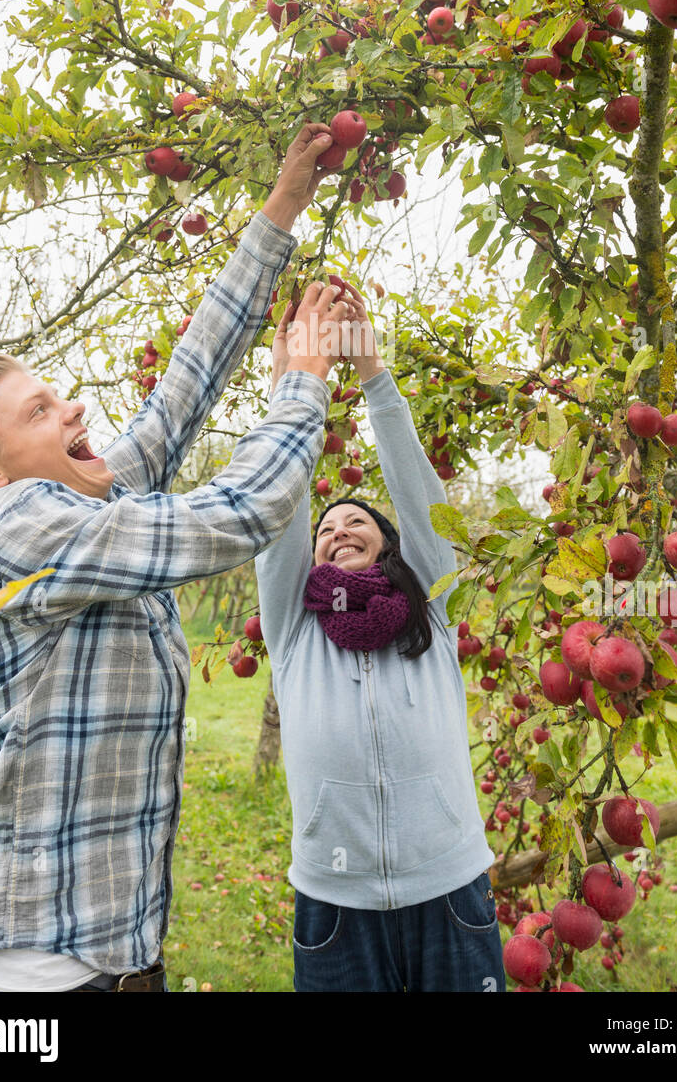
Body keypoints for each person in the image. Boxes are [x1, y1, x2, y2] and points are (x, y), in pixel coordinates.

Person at [0, 122, 349, 993]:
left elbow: (177, 398)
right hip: (35, 976)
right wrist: (301, 380)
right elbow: (240, 512)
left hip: (114, 957)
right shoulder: (19, 523)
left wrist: (282, 208)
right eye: (40, 412)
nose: (73, 411)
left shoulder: (82, 506)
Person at [255, 285, 505, 992]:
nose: (338, 528)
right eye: (326, 527)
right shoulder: (296, 628)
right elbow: (281, 511)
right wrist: (293, 386)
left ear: (392, 545)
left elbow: (425, 505)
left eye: (357, 520)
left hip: (450, 890)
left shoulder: (429, 607)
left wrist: (372, 374)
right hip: (335, 903)